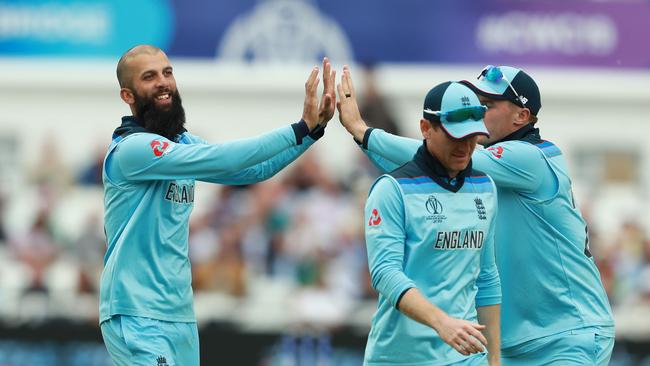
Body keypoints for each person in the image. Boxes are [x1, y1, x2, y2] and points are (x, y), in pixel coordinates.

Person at [338, 65, 615, 365]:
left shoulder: (530, 157)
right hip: (516, 341)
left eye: (489, 105)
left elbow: (433, 153)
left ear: (521, 116)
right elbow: (417, 170)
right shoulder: (478, 179)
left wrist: (362, 132)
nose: (478, 112)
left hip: (567, 334)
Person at [99, 45, 336, 366]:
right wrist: (299, 128)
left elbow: (252, 171)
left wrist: (313, 132)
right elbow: (226, 157)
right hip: (136, 311)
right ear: (127, 95)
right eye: (149, 77)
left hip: (178, 311)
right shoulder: (132, 149)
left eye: (167, 73)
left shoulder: (180, 142)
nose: (163, 82)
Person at [338, 79, 502, 365]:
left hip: (464, 358)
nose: (466, 146)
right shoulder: (391, 189)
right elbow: (385, 273)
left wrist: (495, 361)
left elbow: (486, 277)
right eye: (455, 136)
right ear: (426, 129)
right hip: (400, 357)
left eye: (473, 136)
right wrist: (442, 323)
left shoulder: (485, 187)